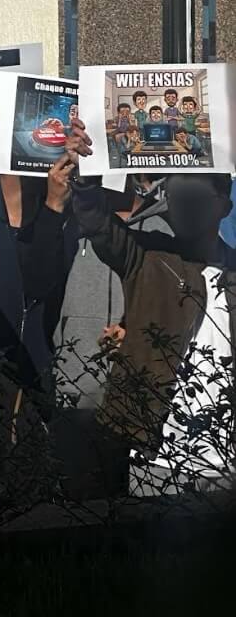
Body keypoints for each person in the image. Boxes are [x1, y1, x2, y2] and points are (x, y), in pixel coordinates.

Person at [70, 121, 235, 495]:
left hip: (228, 460)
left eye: (195, 196)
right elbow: (97, 223)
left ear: (223, 206)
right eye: (176, 195)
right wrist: (87, 173)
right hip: (157, 460)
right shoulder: (146, 258)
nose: (185, 206)